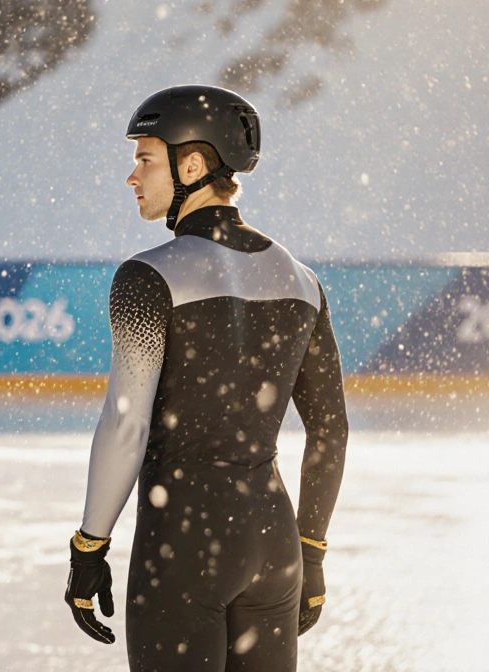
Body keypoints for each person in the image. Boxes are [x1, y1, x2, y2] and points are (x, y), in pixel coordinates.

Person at [64, 85, 349, 672]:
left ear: (192, 165)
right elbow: (331, 430)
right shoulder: (302, 280)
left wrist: (89, 546)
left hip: (185, 544)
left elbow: (126, 425)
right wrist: (312, 551)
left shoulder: (148, 276)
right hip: (274, 546)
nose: (132, 176)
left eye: (145, 159)